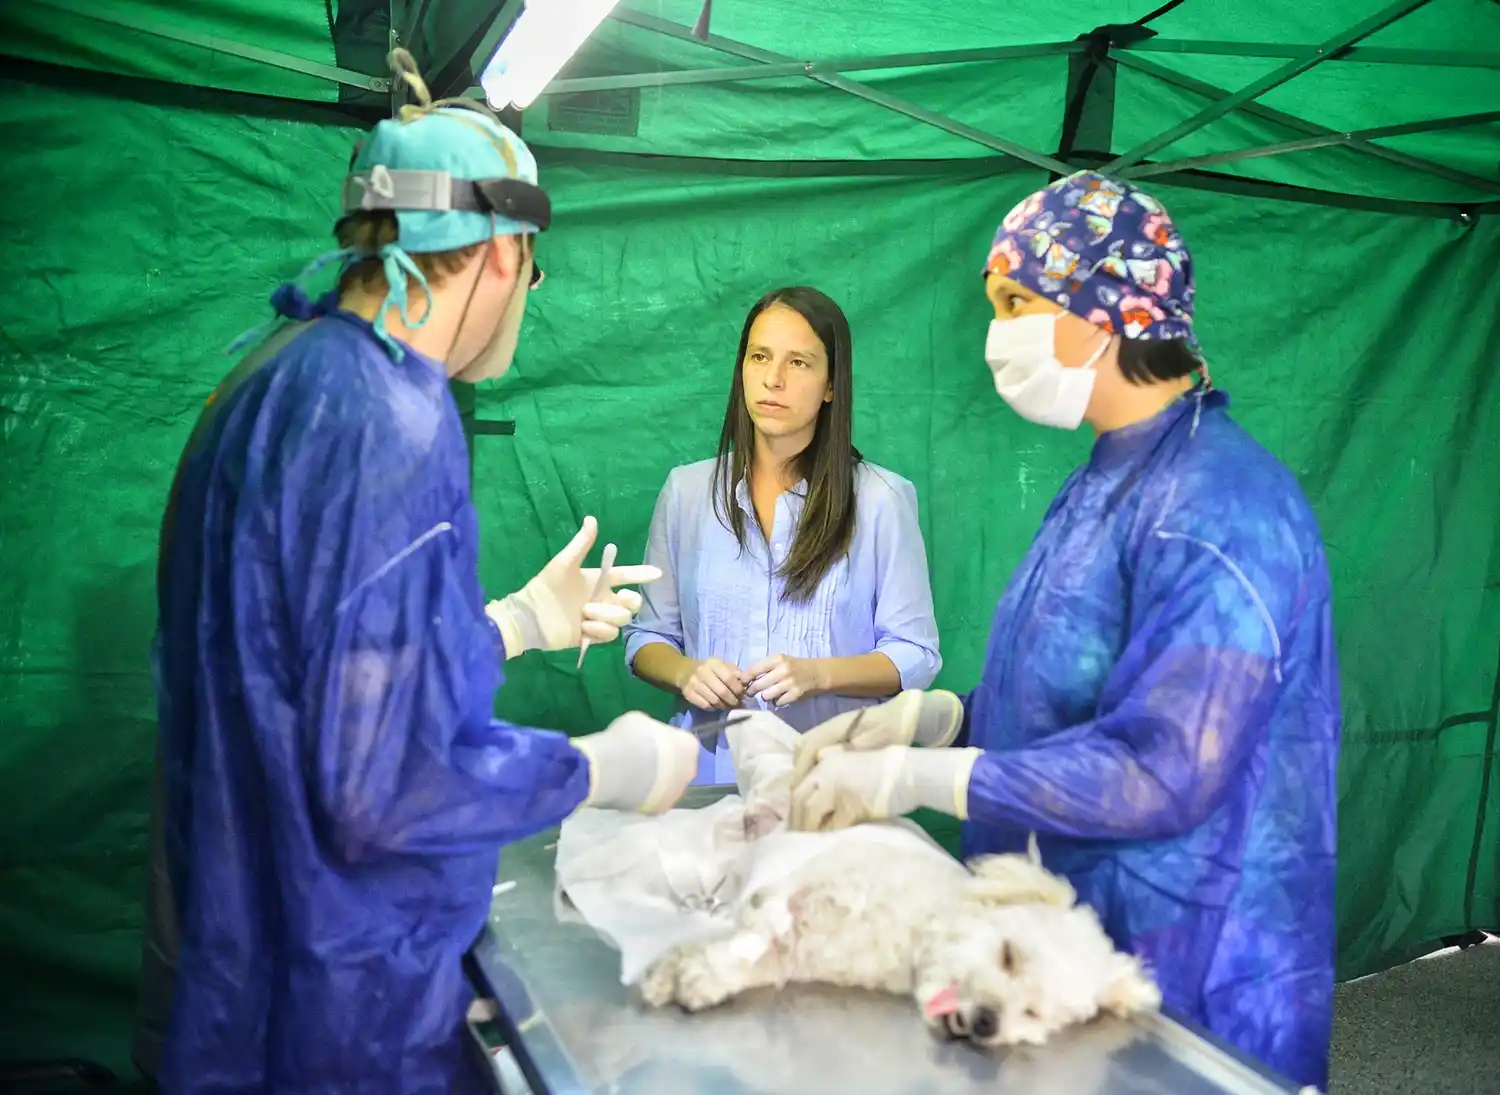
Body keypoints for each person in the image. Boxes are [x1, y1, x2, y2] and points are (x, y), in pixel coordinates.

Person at [140, 54, 701, 1095]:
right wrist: (601, 767)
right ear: (502, 250)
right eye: (531, 273)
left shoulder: (281, 375)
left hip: (240, 966)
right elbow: (380, 785)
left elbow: (310, 670)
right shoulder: (391, 419)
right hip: (333, 1011)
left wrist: (513, 623)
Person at [786, 172, 1339, 1090]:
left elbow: (1165, 768)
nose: (995, 335)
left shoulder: (1222, 508)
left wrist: (911, 778)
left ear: (1103, 307)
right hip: (1058, 962)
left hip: (1190, 982)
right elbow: (1055, 697)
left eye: (1015, 303)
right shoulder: (1104, 481)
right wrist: (934, 719)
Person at [624, 286, 942, 783]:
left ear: (831, 385)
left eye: (799, 362)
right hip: (708, 777)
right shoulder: (687, 492)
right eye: (759, 357)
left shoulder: (882, 499)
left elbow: (916, 654)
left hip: (835, 781)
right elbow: (648, 636)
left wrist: (819, 674)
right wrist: (687, 673)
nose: (773, 379)